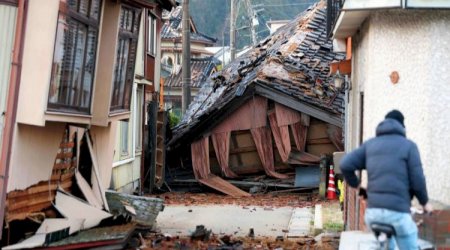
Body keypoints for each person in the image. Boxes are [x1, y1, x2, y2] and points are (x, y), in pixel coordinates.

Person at [340, 110, 432, 250]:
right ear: (402, 126)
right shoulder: (409, 146)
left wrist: (359, 187)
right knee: (409, 241)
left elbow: (345, 165)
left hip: (373, 215)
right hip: (398, 214)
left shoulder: (370, 145)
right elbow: (417, 180)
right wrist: (425, 203)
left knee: (389, 245)